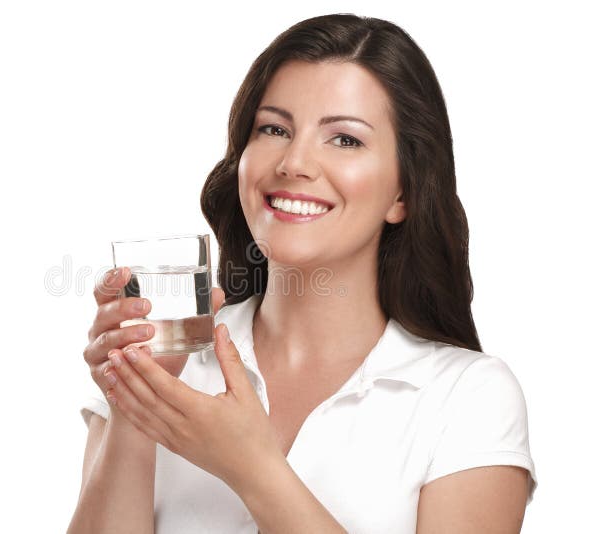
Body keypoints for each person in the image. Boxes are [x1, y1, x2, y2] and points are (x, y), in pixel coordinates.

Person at [68, 13, 537, 534]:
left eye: (345, 140)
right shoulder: (169, 361)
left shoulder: (468, 397)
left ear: (403, 193)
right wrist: (136, 402)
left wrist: (253, 469)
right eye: (274, 128)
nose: (294, 162)